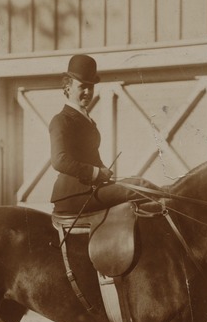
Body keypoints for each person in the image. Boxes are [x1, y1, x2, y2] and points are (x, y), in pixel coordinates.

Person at [49, 54, 156, 215]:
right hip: (73, 196)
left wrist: (102, 170)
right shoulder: (61, 120)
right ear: (68, 87)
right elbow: (59, 161)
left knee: (136, 184)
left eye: (91, 87)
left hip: (90, 191)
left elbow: (90, 157)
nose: (87, 92)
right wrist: (96, 172)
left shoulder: (87, 120)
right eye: (82, 86)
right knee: (140, 186)